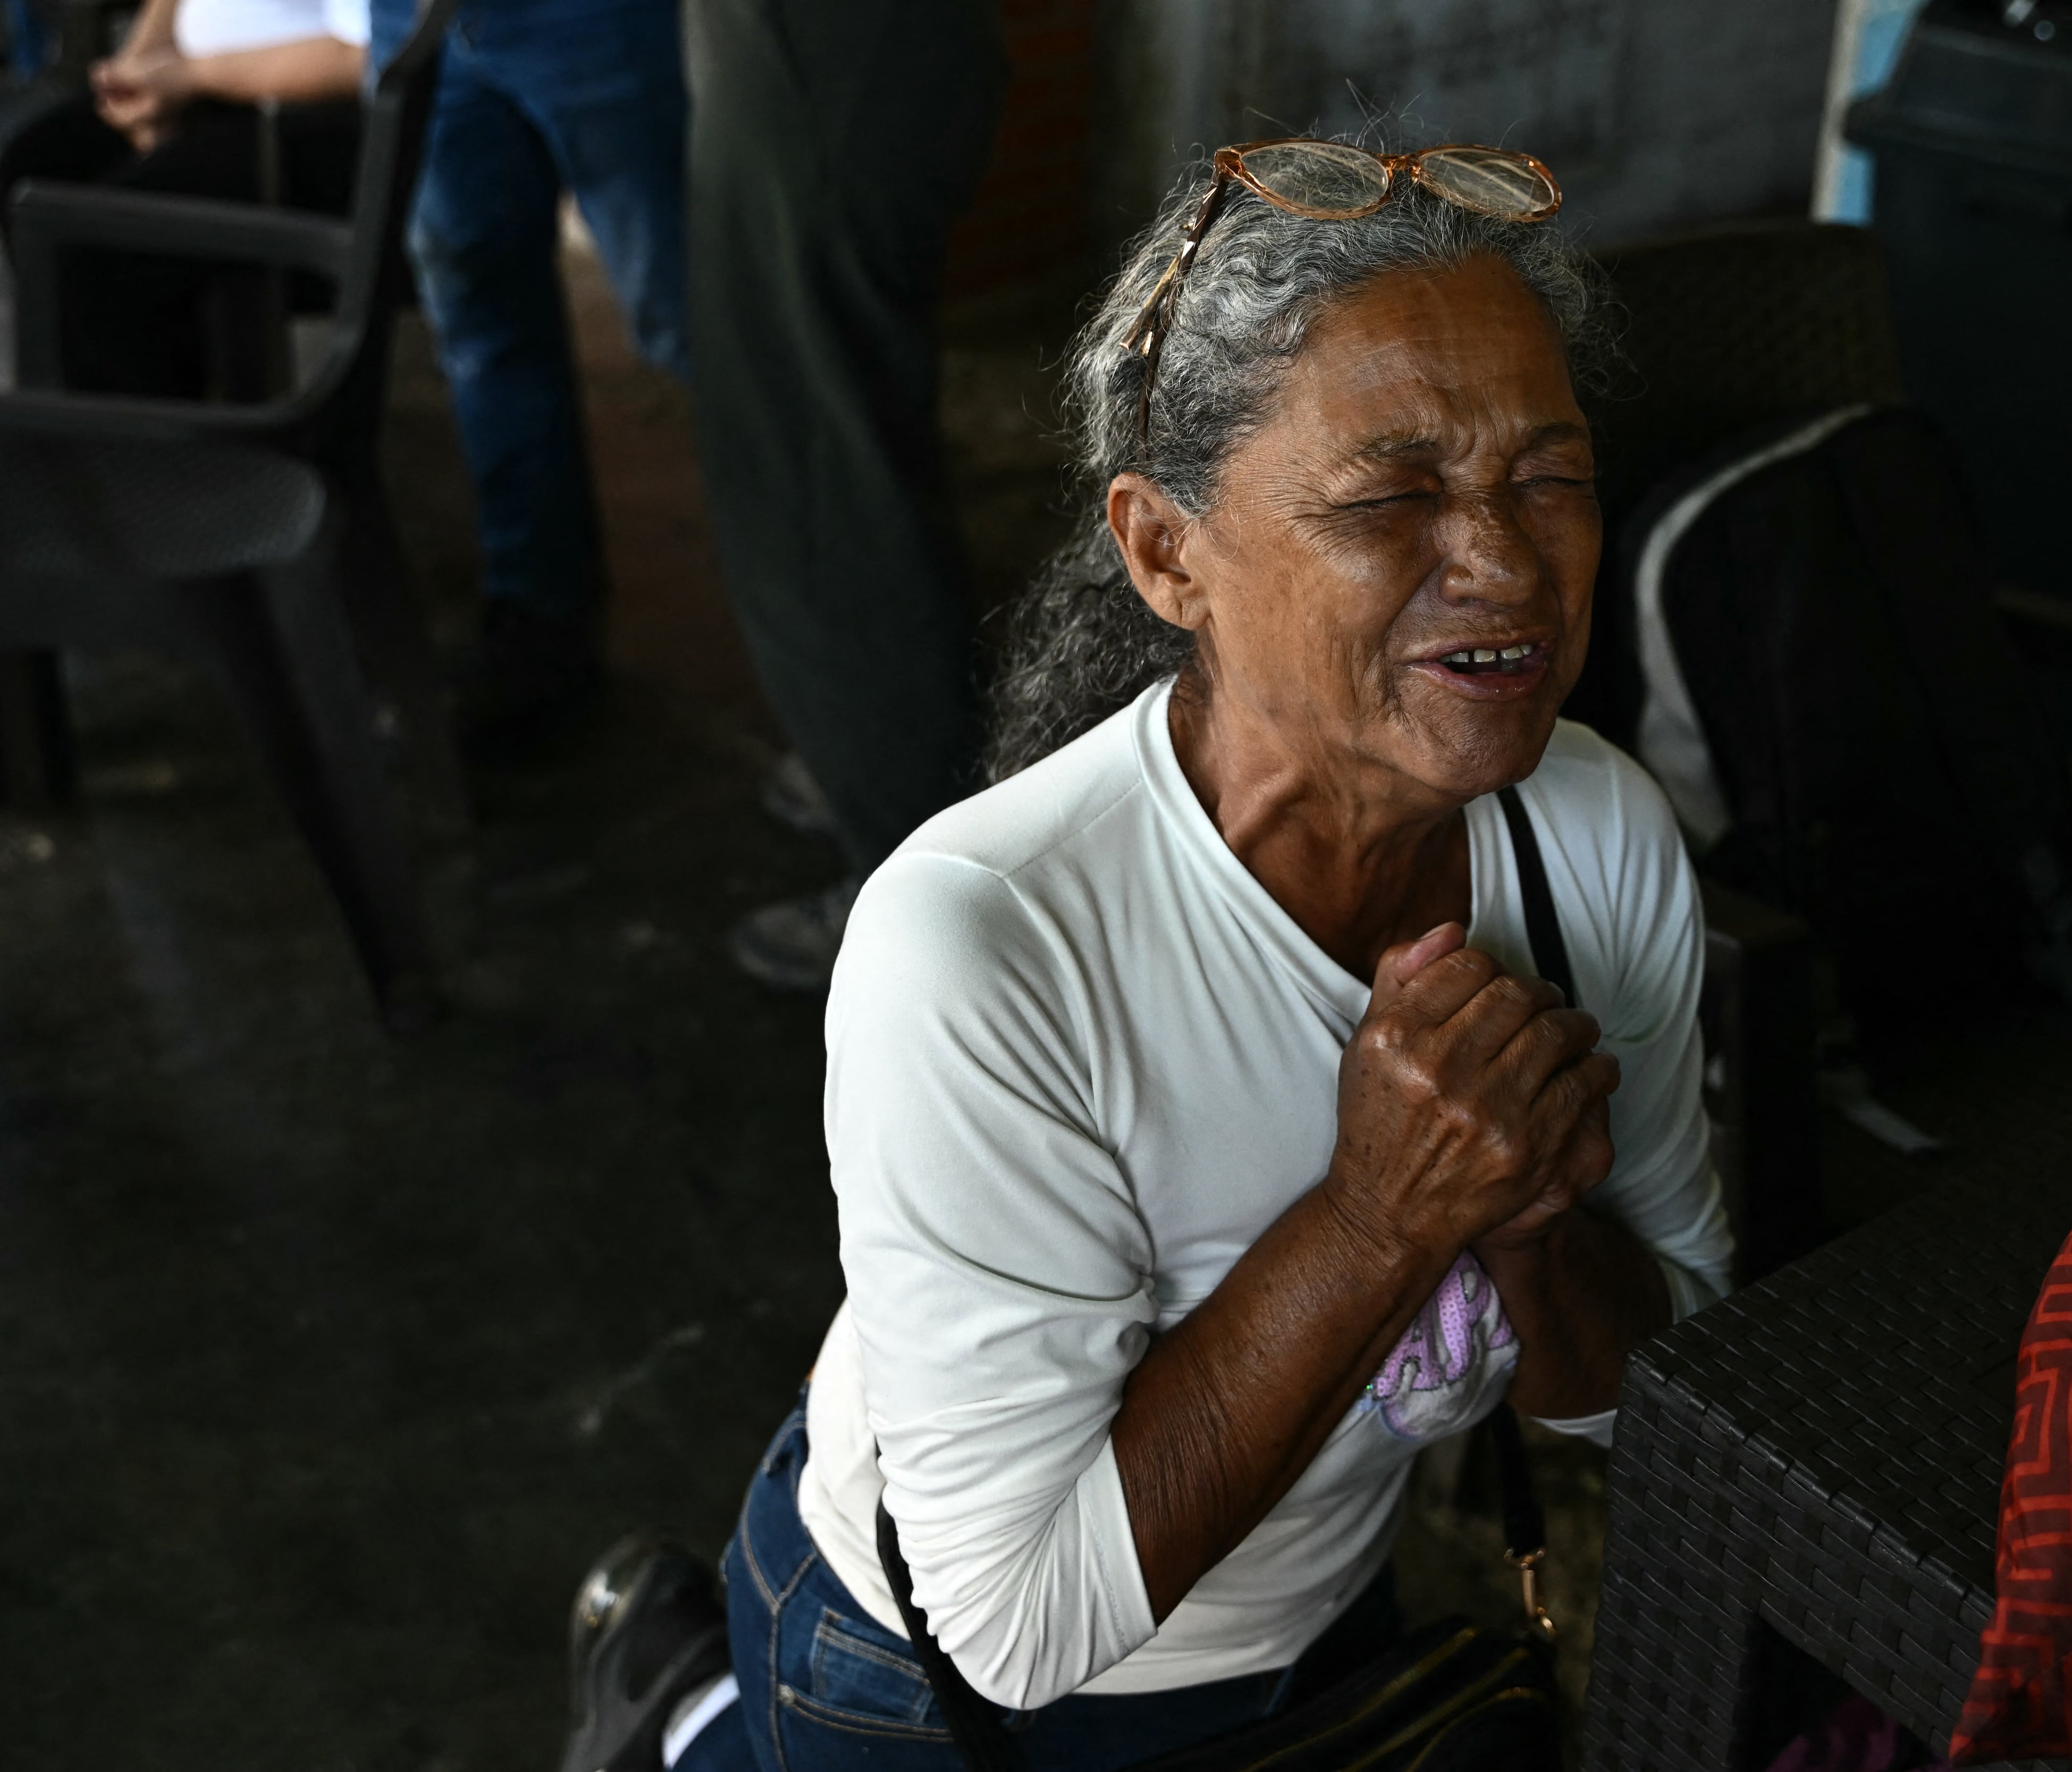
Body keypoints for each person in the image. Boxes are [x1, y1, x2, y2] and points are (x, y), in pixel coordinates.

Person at [557, 141, 1734, 1772]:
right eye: (1392, 496)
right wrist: (1380, 1215)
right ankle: (676, 1699)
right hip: (926, 1688)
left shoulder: (1590, 831)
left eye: (1550, 476)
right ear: (1167, 552)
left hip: (1320, 1623)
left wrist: (1533, 1234)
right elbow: (1016, 1626)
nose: (1511, 565)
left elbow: (1657, 1386)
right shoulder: (977, 944)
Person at [681, 0, 1006, 992]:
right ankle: (877, 755)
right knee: (840, 442)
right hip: (829, 59)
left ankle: (909, 871)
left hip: (827, 58)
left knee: (819, 483)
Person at [364, 0, 687, 759]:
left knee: (699, 323)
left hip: (587, 18)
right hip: (415, 23)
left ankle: (832, 658)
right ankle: (540, 624)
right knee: (479, 323)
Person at [0, 0, 365, 395]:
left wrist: (187, 78)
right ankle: (74, 417)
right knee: (31, 170)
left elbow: (359, 58)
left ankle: (169, 446)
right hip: (192, 87)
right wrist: (135, 72)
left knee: (100, 238)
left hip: (303, 120)